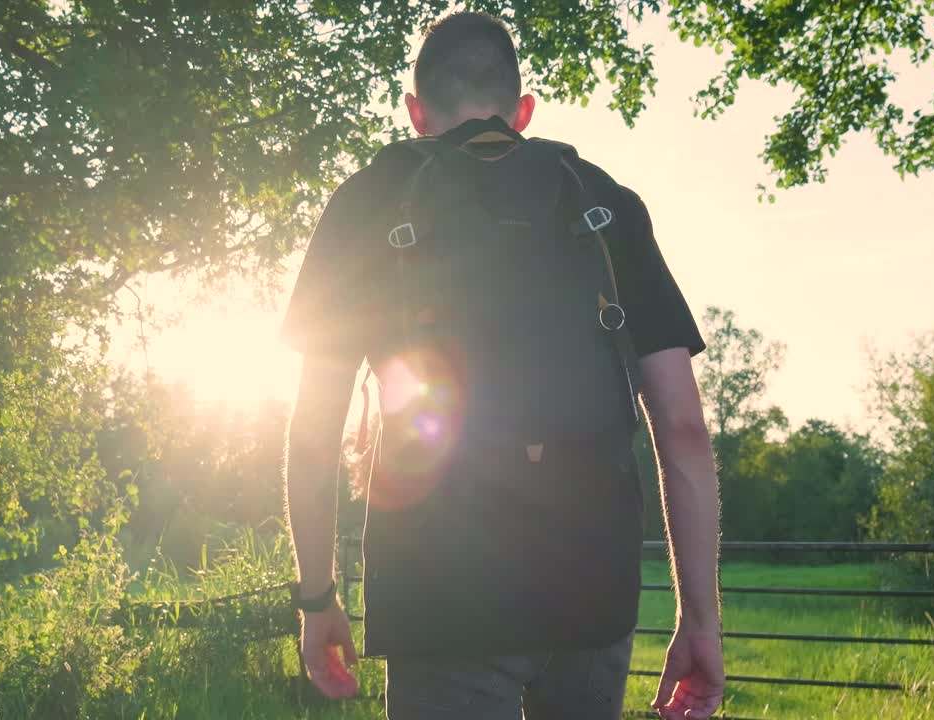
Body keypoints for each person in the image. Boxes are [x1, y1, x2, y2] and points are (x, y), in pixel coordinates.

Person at [280, 11, 723, 720]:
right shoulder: (607, 202)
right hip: (590, 589)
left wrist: (317, 597)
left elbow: (314, 429)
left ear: (417, 114)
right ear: (523, 111)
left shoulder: (368, 203)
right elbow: (683, 427)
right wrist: (700, 619)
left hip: (440, 590)